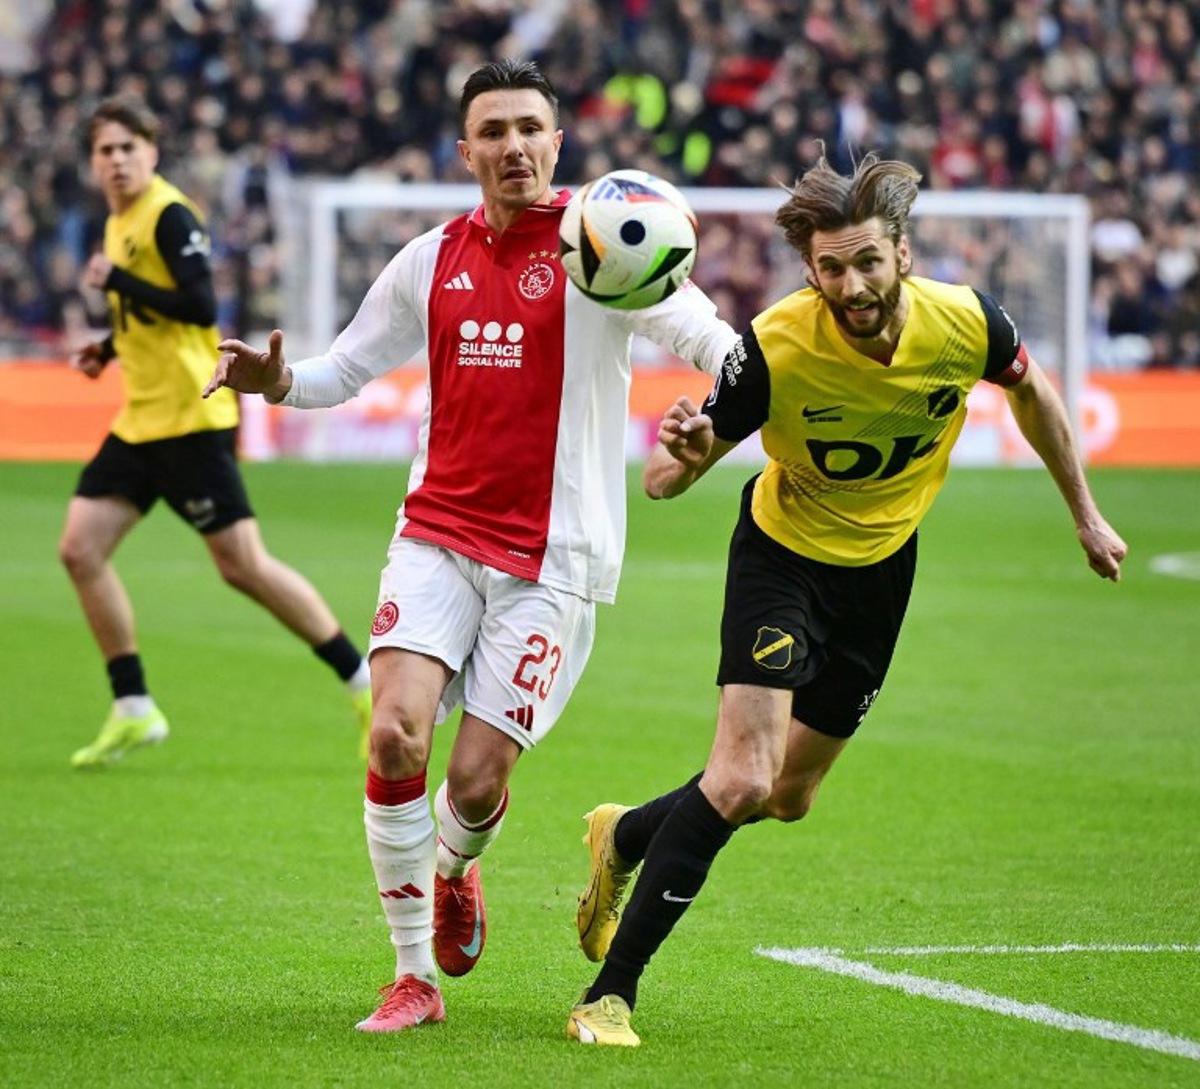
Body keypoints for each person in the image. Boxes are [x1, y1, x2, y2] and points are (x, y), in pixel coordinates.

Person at [203, 59, 737, 1033]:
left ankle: (454, 865)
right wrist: (276, 382)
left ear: (558, 143)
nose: (515, 147)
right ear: (466, 151)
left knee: (476, 783)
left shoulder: (605, 248)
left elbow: (706, 335)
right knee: (394, 730)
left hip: (552, 560)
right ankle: (414, 978)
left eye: (531, 128)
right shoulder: (428, 259)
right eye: (493, 131)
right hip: (437, 534)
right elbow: (343, 369)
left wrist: (727, 403)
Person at [566, 153, 1129, 1046]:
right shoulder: (776, 345)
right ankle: (609, 995)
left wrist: (1086, 515)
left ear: (902, 252)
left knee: (784, 796)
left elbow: (1034, 390)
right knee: (743, 774)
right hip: (781, 562)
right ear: (810, 269)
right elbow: (665, 480)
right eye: (831, 267)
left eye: (867, 261)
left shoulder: (966, 322)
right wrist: (687, 441)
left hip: (881, 573)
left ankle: (626, 834)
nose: (852, 284)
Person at [62, 97, 372, 769]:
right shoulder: (118, 222)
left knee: (244, 567)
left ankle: (362, 680)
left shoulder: (169, 215)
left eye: (127, 147)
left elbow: (201, 306)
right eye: (104, 150)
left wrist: (116, 281)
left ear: (152, 150)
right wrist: (110, 349)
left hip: (192, 419)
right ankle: (133, 705)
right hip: (141, 420)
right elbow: (156, 318)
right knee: (79, 549)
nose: (116, 160)